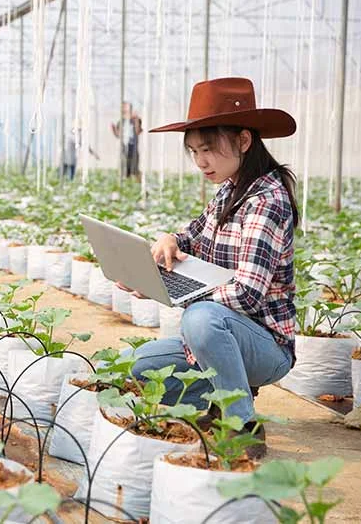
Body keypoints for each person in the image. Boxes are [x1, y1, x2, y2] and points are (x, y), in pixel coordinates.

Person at [127, 77, 298, 458]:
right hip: (221, 335)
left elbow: (247, 294)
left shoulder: (266, 200)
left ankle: (242, 426)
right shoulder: (229, 190)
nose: (200, 161)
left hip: (266, 345)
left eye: (207, 149)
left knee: (201, 318)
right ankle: (223, 396)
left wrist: (173, 293)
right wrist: (168, 242)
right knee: (138, 368)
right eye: (193, 151)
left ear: (243, 140)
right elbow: (192, 235)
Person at [111, 102, 142, 178]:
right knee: (124, 168)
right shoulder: (121, 122)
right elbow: (118, 135)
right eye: (123, 108)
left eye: (126, 108)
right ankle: (126, 180)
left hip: (133, 147)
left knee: (134, 168)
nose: (124, 110)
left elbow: (138, 131)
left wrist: (136, 120)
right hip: (124, 147)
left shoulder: (135, 120)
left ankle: (137, 180)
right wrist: (114, 130)